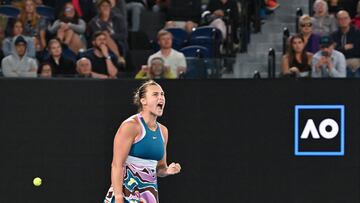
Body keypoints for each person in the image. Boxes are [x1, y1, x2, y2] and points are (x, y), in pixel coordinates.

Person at [103, 80, 181, 203]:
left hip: (149, 195)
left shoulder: (163, 131)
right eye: (155, 94)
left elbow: (160, 168)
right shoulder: (131, 126)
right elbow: (117, 165)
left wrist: (167, 170)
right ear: (143, 101)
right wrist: (118, 198)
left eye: (162, 94)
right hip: (125, 194)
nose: (161, 97)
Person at [331, 10, 360, 76]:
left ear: (350, 19)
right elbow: (332, 52)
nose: (343, 20)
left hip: (355, 62)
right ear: (337, 21)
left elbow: (357, 51)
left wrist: (340, 49)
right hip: (339, 63)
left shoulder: (357, 33)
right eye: (340, 19)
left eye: (345, 18)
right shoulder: (333, 35)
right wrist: (344, 48)